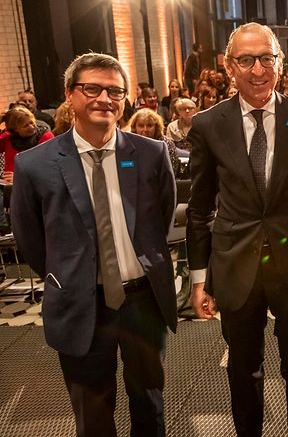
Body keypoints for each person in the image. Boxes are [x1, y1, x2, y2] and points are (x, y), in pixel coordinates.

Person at [12, 52, 177, 437]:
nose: (105, 98)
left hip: (142, 303)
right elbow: (30, 239)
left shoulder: (151, 154)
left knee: (150, 404)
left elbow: (161, 218)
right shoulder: (35, 164)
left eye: (115, 91)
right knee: (93, 416)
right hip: (80, 303)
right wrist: (69, 275)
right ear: (70, 95)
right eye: (92, 89)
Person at [186, 22, 288, 437]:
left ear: (280, 64)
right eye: (246, 60)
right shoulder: (208, 124)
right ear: (230, 67)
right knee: (244, 369)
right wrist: (198, 279)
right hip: (234, 263)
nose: (258, 69)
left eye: (266, 58)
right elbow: (199, 207)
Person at [1, 105, 54, 183]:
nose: (32, 127)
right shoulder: (8, 137)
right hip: (10, 187)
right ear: (15, 129)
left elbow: (50, 168)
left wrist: (20, 178)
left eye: (32, 122)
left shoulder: (46, 137)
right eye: (26, 126)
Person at [128, 108, 183, 177]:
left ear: (156, 127)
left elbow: (171, 172)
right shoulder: (128, 143)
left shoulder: (166, 143)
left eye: (149, 126)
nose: (145, 130)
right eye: (141, 126)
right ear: (134, 127)